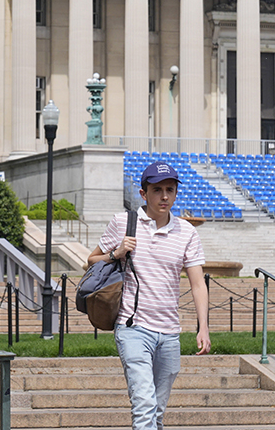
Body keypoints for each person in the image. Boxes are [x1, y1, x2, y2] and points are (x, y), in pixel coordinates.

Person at [89, 160, 210, 430]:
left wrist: (203, 328)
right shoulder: (123, 223)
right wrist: (116, 253)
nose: (164, 196)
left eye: (170, 189)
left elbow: (198, 285)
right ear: (144, 193)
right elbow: (91, 259)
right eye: (157, 190)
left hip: (169, 333)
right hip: (133, 328)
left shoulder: (186, 232)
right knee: (144, 405)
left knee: (156, 410)